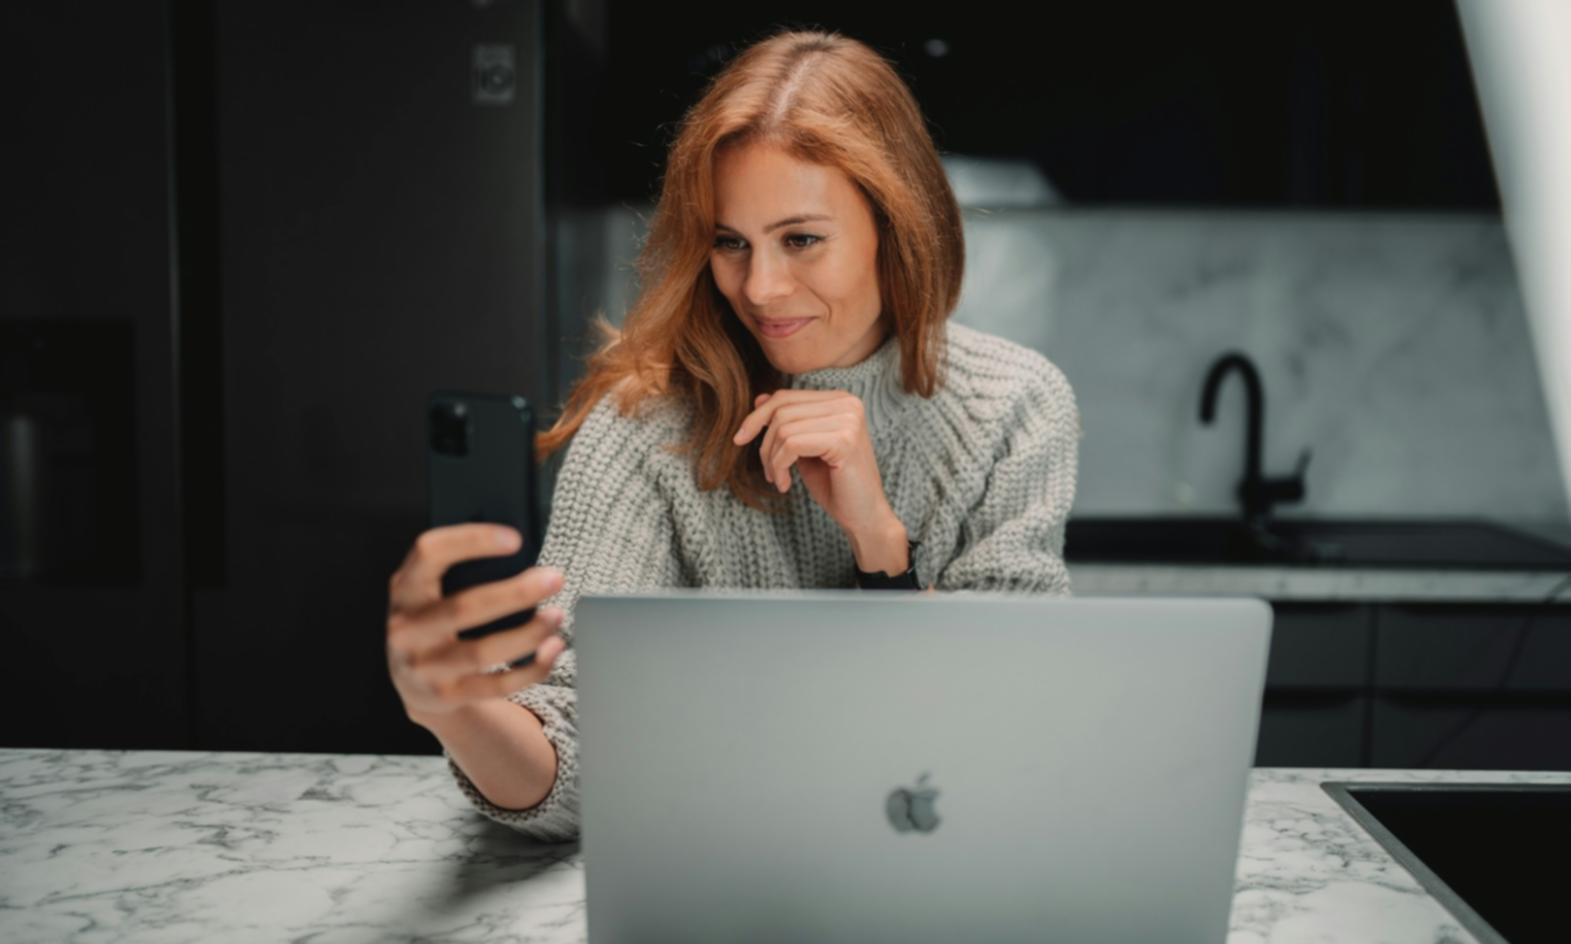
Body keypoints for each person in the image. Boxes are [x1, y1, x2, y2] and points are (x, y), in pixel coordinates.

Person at [385, 28, 1082, 843]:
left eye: (801, 239)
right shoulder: (644, 424)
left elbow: (1014, 728)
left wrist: (879, 543)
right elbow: (572, 766)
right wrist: (456, 712)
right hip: (708, 870)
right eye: (729, 242)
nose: (759, 287)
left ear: (897, 226)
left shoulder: (1017, 405)